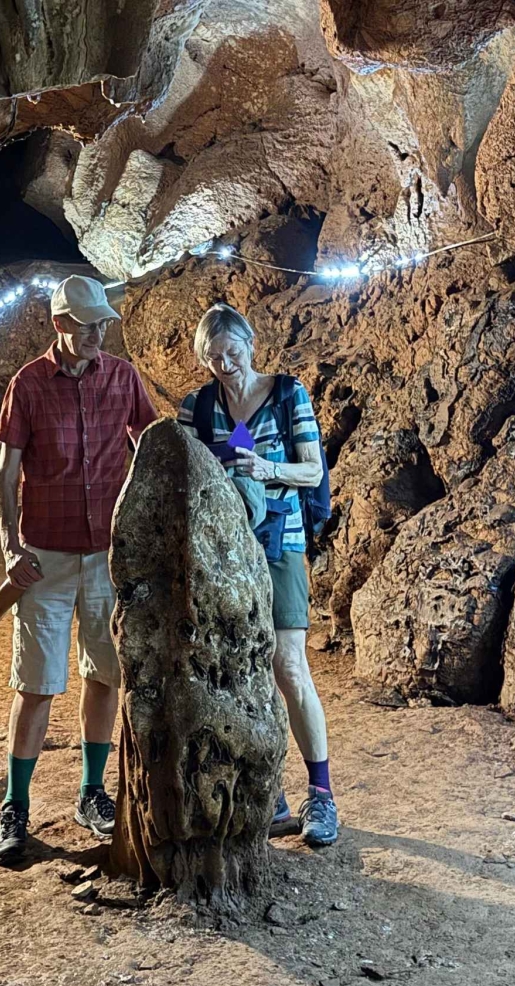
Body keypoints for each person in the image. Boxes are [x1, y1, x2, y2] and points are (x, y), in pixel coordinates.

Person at [0, 274, 160, 864]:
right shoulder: (28, 384)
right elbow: (6, 473)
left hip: (109, 557)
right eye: (88, 325)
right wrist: (11, 547)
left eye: (103, 324)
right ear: (61, 324)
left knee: (105, 675)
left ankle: (92, 791)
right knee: (36, 685)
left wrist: (236, 438)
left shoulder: (123, 378)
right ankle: (15, 804)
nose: (98, 334)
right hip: (46, 560)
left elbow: (156, 444)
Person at [178, 303, 339, 846]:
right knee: (239, 669)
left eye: (233, 353)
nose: (226, 365)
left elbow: (312, 469)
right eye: (214, 357)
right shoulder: (198, 407)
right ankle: (270, 794)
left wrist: (267, 468)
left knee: (288, 665)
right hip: (223, 550)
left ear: (251, 344)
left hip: (280, 541)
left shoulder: (288, 394)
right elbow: (184, 472)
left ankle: (321, 795)